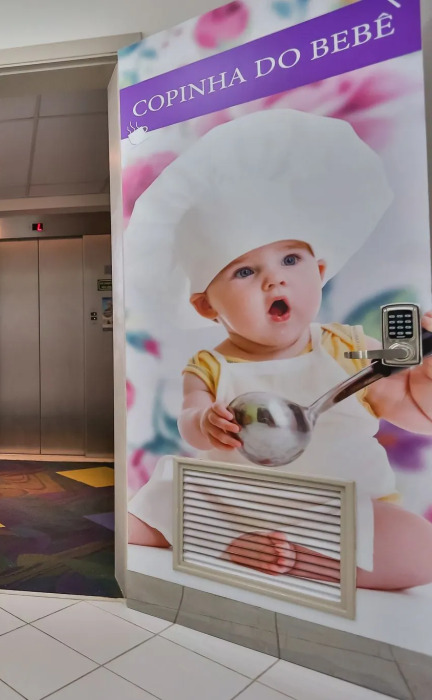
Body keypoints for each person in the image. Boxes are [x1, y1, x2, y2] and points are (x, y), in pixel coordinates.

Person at [125, 109, 432, 591]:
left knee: (419, 549)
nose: (275, 279)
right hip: (235, 497)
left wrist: (425, 376)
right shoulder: (210, 365)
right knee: (136, 518)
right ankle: (236, 540)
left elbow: (409, 409)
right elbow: (190, 419)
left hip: (332, 504)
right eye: (245, 272)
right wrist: (206, 423)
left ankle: (292, 558)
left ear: (320, 270)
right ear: (207, 305)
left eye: (291, 259)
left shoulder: (349, 348)